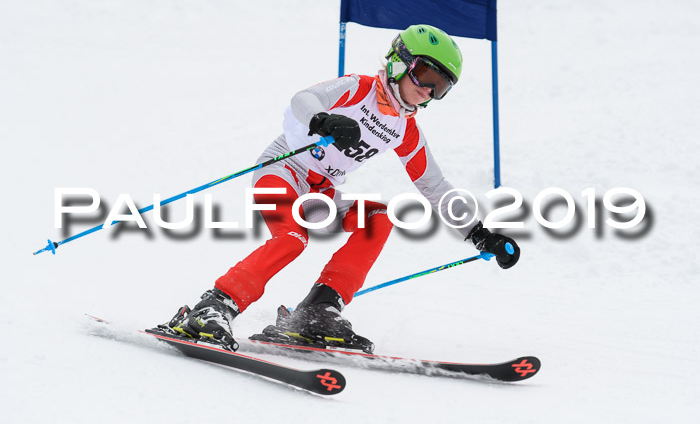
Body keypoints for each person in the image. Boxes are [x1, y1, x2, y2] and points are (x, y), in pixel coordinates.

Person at [162, 24, 520, 353]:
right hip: (282, 170)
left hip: (320, 193)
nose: (427, 89)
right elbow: (303, 99)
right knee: (291, 239)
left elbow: (434, 185)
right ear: (400, 62)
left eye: (440, 87)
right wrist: (323, 119)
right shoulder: (359, 88)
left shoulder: (404, 128)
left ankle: (319, 311)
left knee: (380, 217)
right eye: (425, 75)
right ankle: (214, 306)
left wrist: (478, 233)